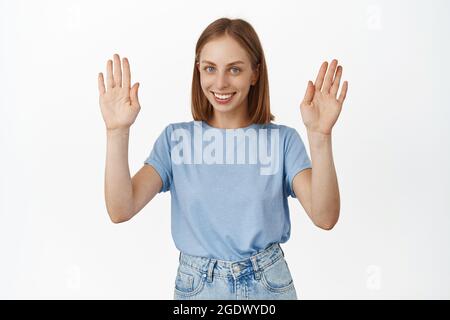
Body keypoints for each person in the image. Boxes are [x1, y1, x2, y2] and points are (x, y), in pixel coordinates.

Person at [98, 17, 348, 300]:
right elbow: (121, 209)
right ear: (199, 71)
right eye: (210, 69)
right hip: (197, 288)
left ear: (255, 73)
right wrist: (116, 132)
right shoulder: (176, 140)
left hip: (267, 285)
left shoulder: (282, 141)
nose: (220, 82)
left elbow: (325, 217)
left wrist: (320, 136)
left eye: (234, 70)